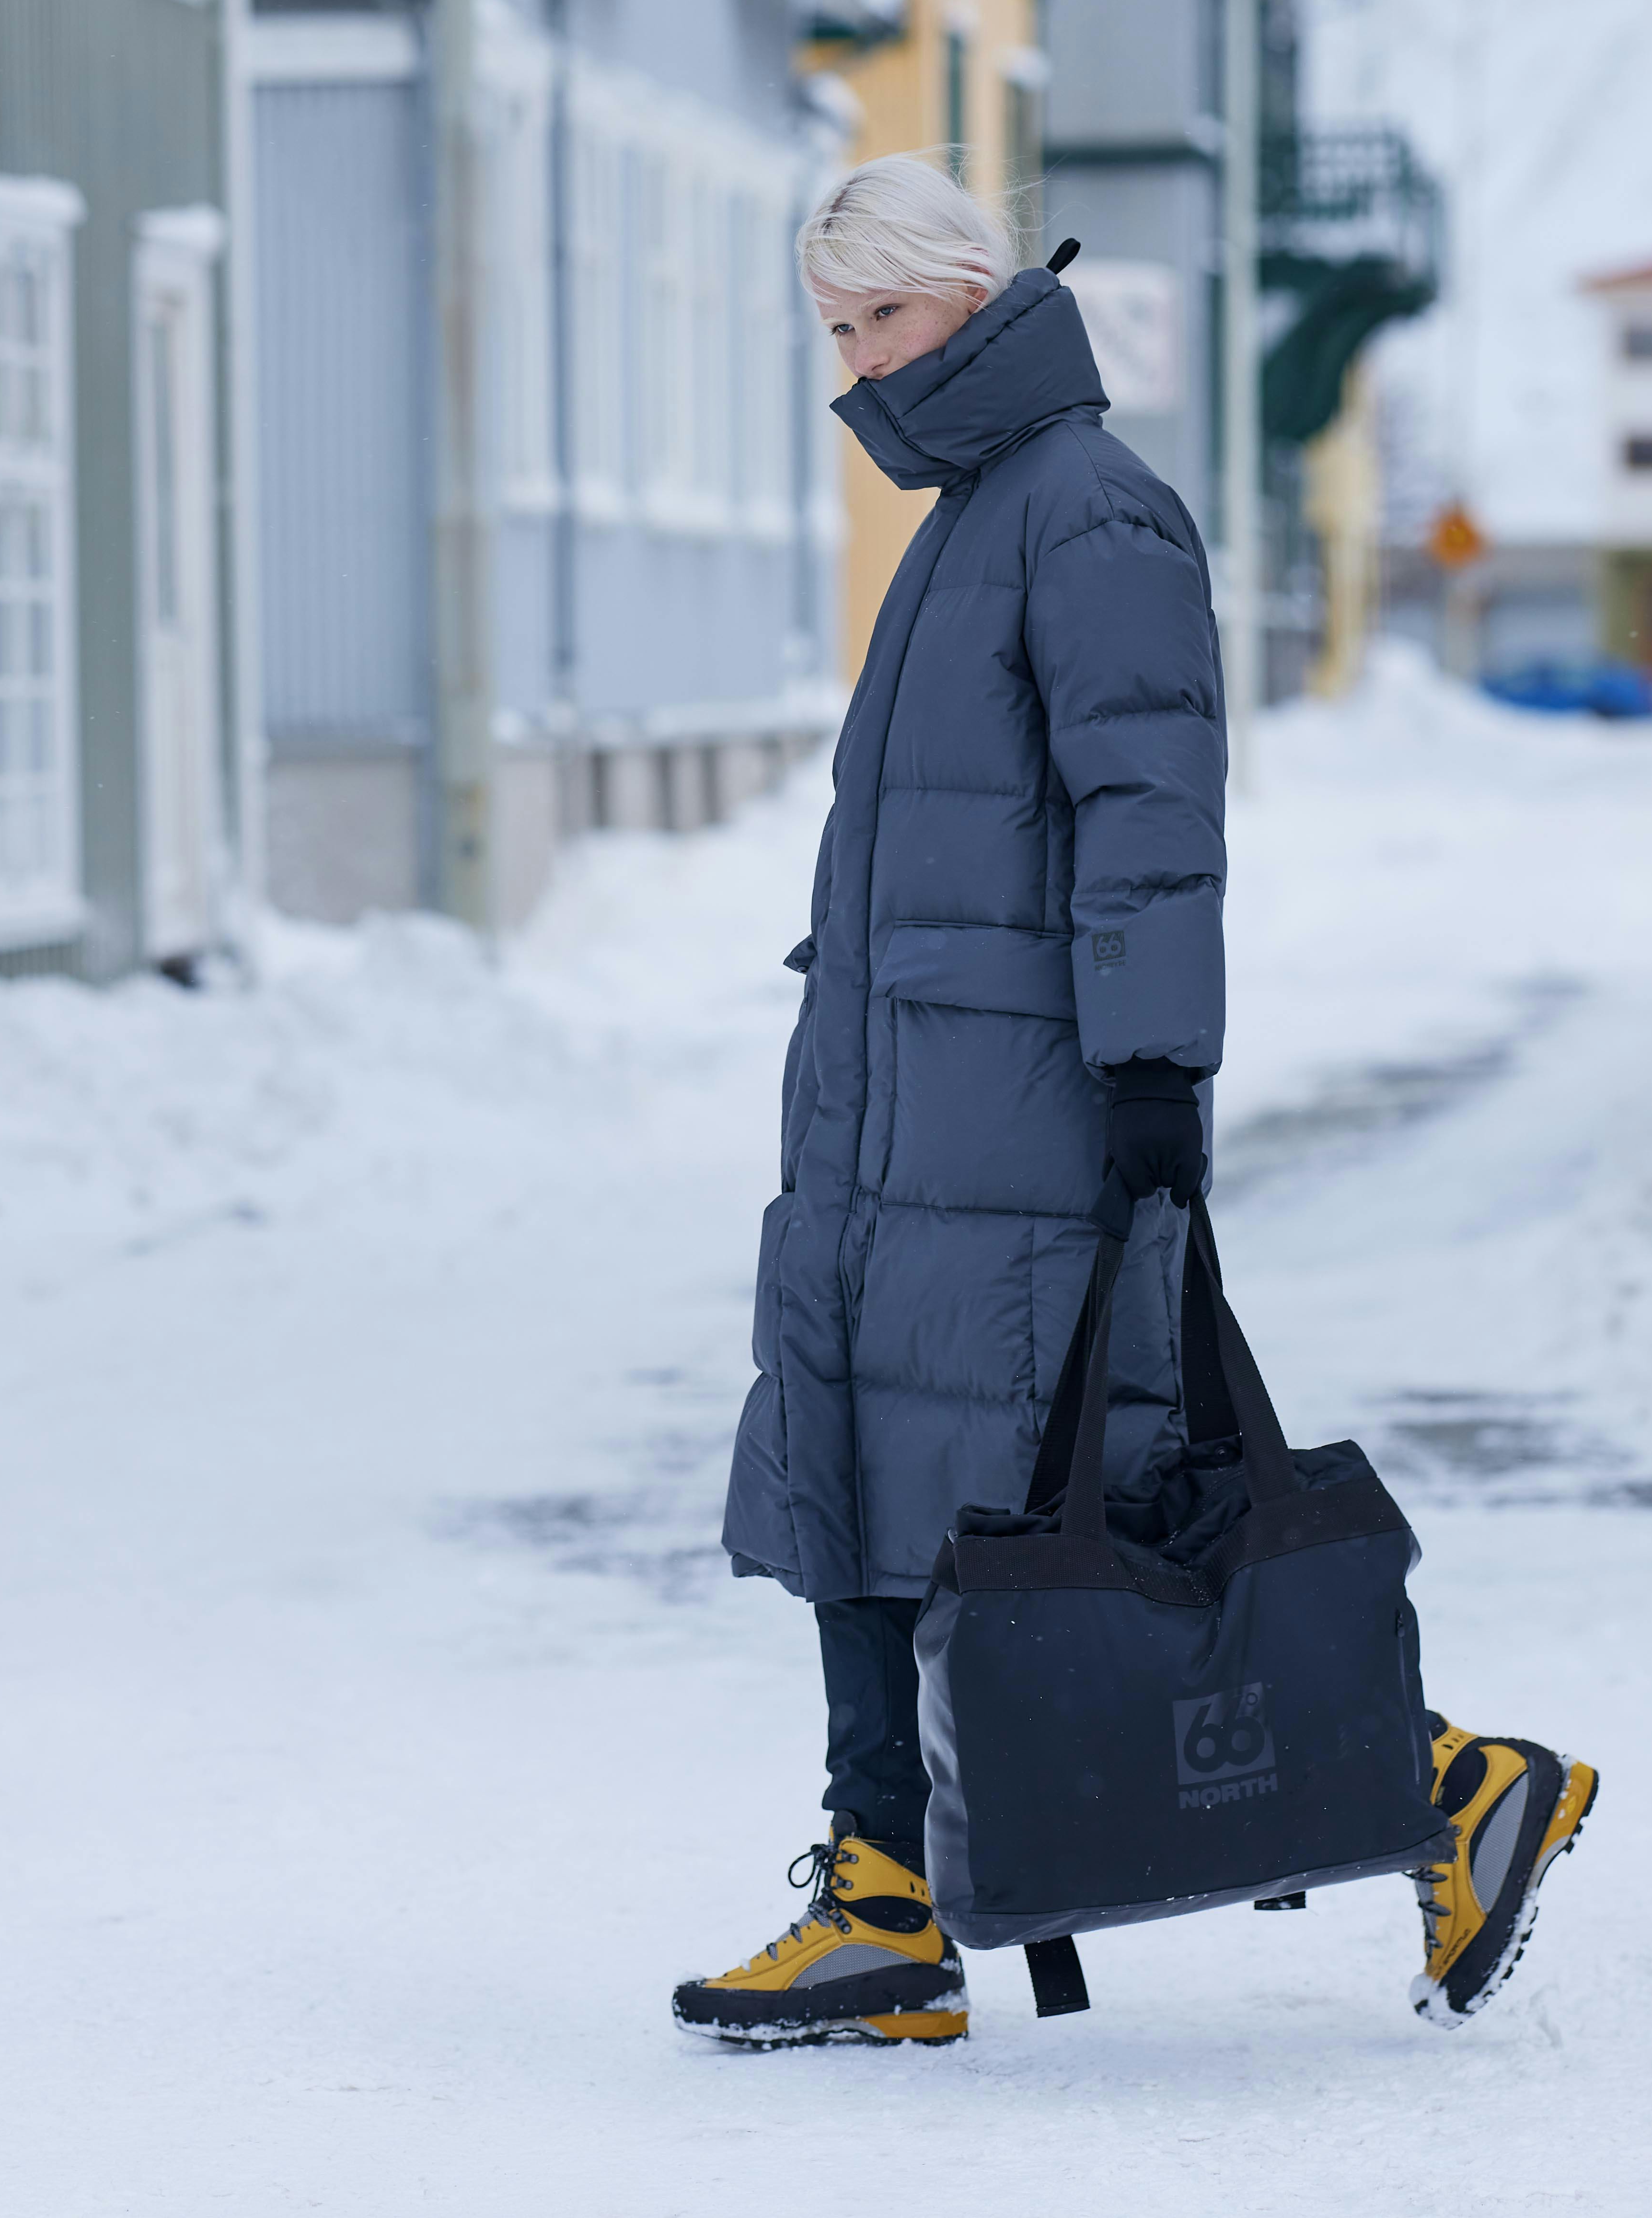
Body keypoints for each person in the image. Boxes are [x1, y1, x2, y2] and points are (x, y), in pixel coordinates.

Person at [672, 156, 1596, 2050]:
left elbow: (1149, 824)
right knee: (863, 1481)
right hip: (895, 1123)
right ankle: (883, 1901)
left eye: (879, 323)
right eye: (832, 336)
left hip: (1021, 1121)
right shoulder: (976, 515)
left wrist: (1156, 1071)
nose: (853, 370)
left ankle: (1454, 1784)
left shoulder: (1084, 512)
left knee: (1091, 1518)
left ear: (969, 296)